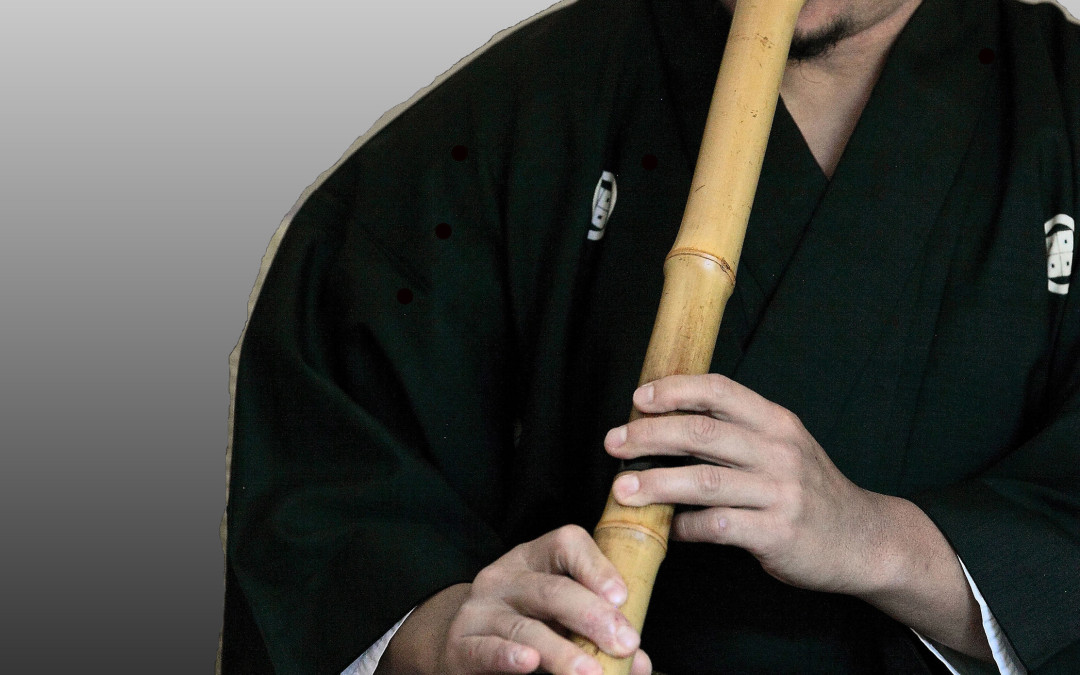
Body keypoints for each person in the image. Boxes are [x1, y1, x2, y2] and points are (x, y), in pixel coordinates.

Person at [219, 0, 1080, 672]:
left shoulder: (1062, 110)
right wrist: (443, 632)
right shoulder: (528, 105)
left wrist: (875, 538)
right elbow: (326, 477)